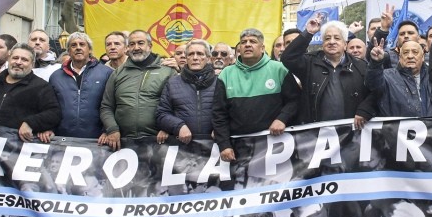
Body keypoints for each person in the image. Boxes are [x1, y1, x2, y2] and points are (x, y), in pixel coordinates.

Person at [213, 28, 299, 162]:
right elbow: (219, 113)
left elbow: (295, 100)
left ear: (262, 48)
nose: (247, 44)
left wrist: (282, 118)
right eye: (243, 42)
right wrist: (224, 144)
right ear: (239, 48)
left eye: (252, 41)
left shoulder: (279, 69)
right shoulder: (226, 74)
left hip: (276, 146)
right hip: (239, 149)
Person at [281, 18, 374, 127]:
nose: (332, 42)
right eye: (327, 38)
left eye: (337, 38)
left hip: (352, 131)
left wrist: (365, 110)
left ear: (345, 44)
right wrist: (308, 33)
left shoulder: (360, 66)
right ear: (323, 43)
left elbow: (375, 91)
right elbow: (288, 58)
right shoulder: (309, 62)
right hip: (316, 132)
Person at [100, 30, 176, 150]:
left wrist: (168, 127)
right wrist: (112, 129)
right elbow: (106, 106)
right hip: (123, 142)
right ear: (127, 48)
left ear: (150, 45)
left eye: (140, 43)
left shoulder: (168, 71)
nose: (136, 48)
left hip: (158, 142)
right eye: (132, 44)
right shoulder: (117, 73)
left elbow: (177, 105)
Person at [0, 43, 61, 142]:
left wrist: (30, 123)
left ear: (32, 64)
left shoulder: (41, 86)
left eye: (24, 60)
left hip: (16, 147)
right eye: (15, 58)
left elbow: (54, 113)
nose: (18, 62)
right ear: (9, 59)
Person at [366, 40, 432, 119]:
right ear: (400, 58)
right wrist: (375, 63)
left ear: (422, 57)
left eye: (415, 52)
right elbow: (372, 84)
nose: (410, 56)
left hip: (428, 135)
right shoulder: (387, 76)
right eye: (405, 53)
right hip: (396, 136)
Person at [48, 32, 113, 139]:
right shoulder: (56, 76)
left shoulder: (106, 73)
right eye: (73, 45)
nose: (78, 48)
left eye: (82, 44)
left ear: (90, 49)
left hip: (97, 139)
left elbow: (112, 105)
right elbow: (50, 107)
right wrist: (49, 128)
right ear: (69, 51)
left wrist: (108, 130)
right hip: (62, 137)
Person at [156, 40, 217, 144]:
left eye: (200, 54)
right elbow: (162, 114)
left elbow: (230, 112)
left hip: (214, 146)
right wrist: (178, 126)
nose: (195, 57)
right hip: (183, 147)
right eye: (191, 54)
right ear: (186, 58)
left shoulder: (219, 82)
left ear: (208, 58)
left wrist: (221, 128)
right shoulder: (172, 83)